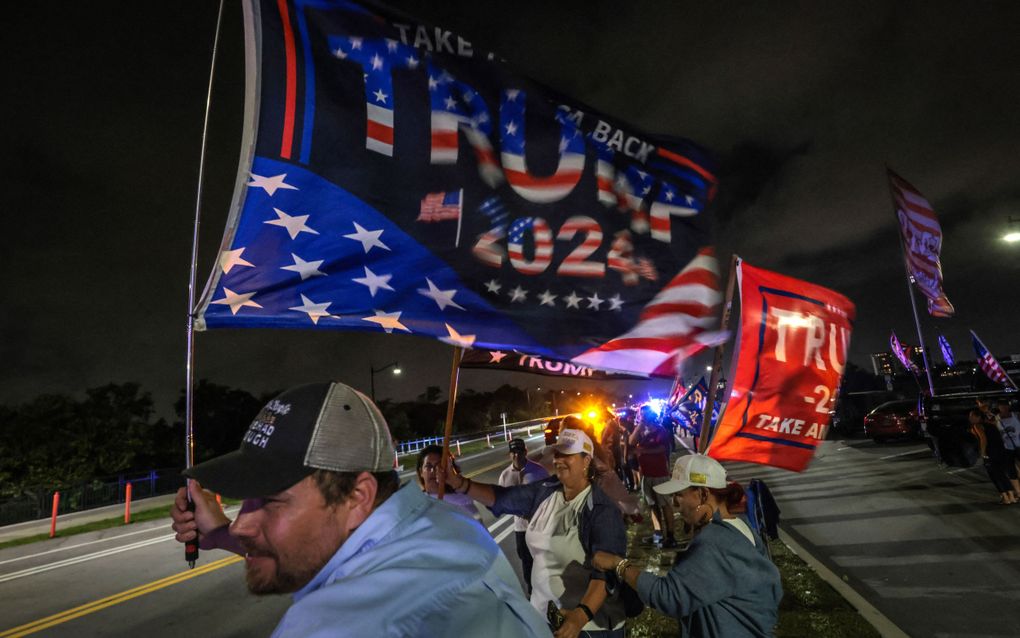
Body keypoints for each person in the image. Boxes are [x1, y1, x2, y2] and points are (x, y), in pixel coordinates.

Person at [169, 382, 549, 638]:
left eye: (270, 500)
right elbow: (333, 556)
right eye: (247, 498)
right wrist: (218, 532)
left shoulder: (340, 625)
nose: (241, 526)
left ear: (357, 496)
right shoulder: (444, 524)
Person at [445, 428, 628, 638]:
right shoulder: (545, 490)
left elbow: (606, 574)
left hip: (588, 628)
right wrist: (458, 483)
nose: (559, 460)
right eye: (558, 454)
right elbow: (502, 498)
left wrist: (579, 616)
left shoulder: (601, 510)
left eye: (568, 455)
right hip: (544, 620)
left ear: (586, 460)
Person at [592, 454, 782, 637]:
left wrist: (619, 564)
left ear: (702, 494)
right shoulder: (739, 525)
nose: (674, 503)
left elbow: (667, 596)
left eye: (679, 495)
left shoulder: (714, 542)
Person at [499, 438, 550, 595]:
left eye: (519, 452)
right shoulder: (505, 476)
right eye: (513, 452)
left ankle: (547, 592)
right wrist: (515, 509)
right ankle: (532, 593)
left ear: (525, 452)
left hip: (540, 525)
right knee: (526, 560)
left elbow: (549, 495)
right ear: (509, 455)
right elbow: (501, 500)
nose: (516, 456)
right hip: (520, 528)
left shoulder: (538, 471)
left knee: (542, 559)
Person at [629, 405, 677, 548]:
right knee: (652, 505)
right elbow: (631, 442)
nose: (642, 417)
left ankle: (671, 536)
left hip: (659, 474)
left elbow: (662, 448)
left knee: (665, 505)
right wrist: (639, 427)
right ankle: (658, 534)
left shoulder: (660, 429)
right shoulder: (641, 431)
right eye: (640, 414)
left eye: (645, 414)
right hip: (646, 474)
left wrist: (643, 451)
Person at [415, 444, 481, 520]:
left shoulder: (463, 507)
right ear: (421, 472)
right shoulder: (415, 504)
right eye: (428, 466)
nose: (433, 471)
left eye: (439, 466)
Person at [969, 407, 1020, 504]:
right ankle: (1012, 497)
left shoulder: (977, 426)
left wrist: (983, 453)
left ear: (978, 417)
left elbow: (983, 439)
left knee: (995, 476)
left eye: (971, 416)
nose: (970, 418)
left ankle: (1006, 497)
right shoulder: (992, 424)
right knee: (1002, 474)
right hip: (1001, 451)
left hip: (991, 453)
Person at [994, 400, 1020, 475]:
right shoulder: (997, 418)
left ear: (1009, 406)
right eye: (1001, 407)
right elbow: (997, 432)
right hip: (1007, 447)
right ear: (999, 408)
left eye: (1005, 406)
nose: (1004, 408)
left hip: (1019, 445)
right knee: (1011, 469)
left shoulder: (1016, 415)